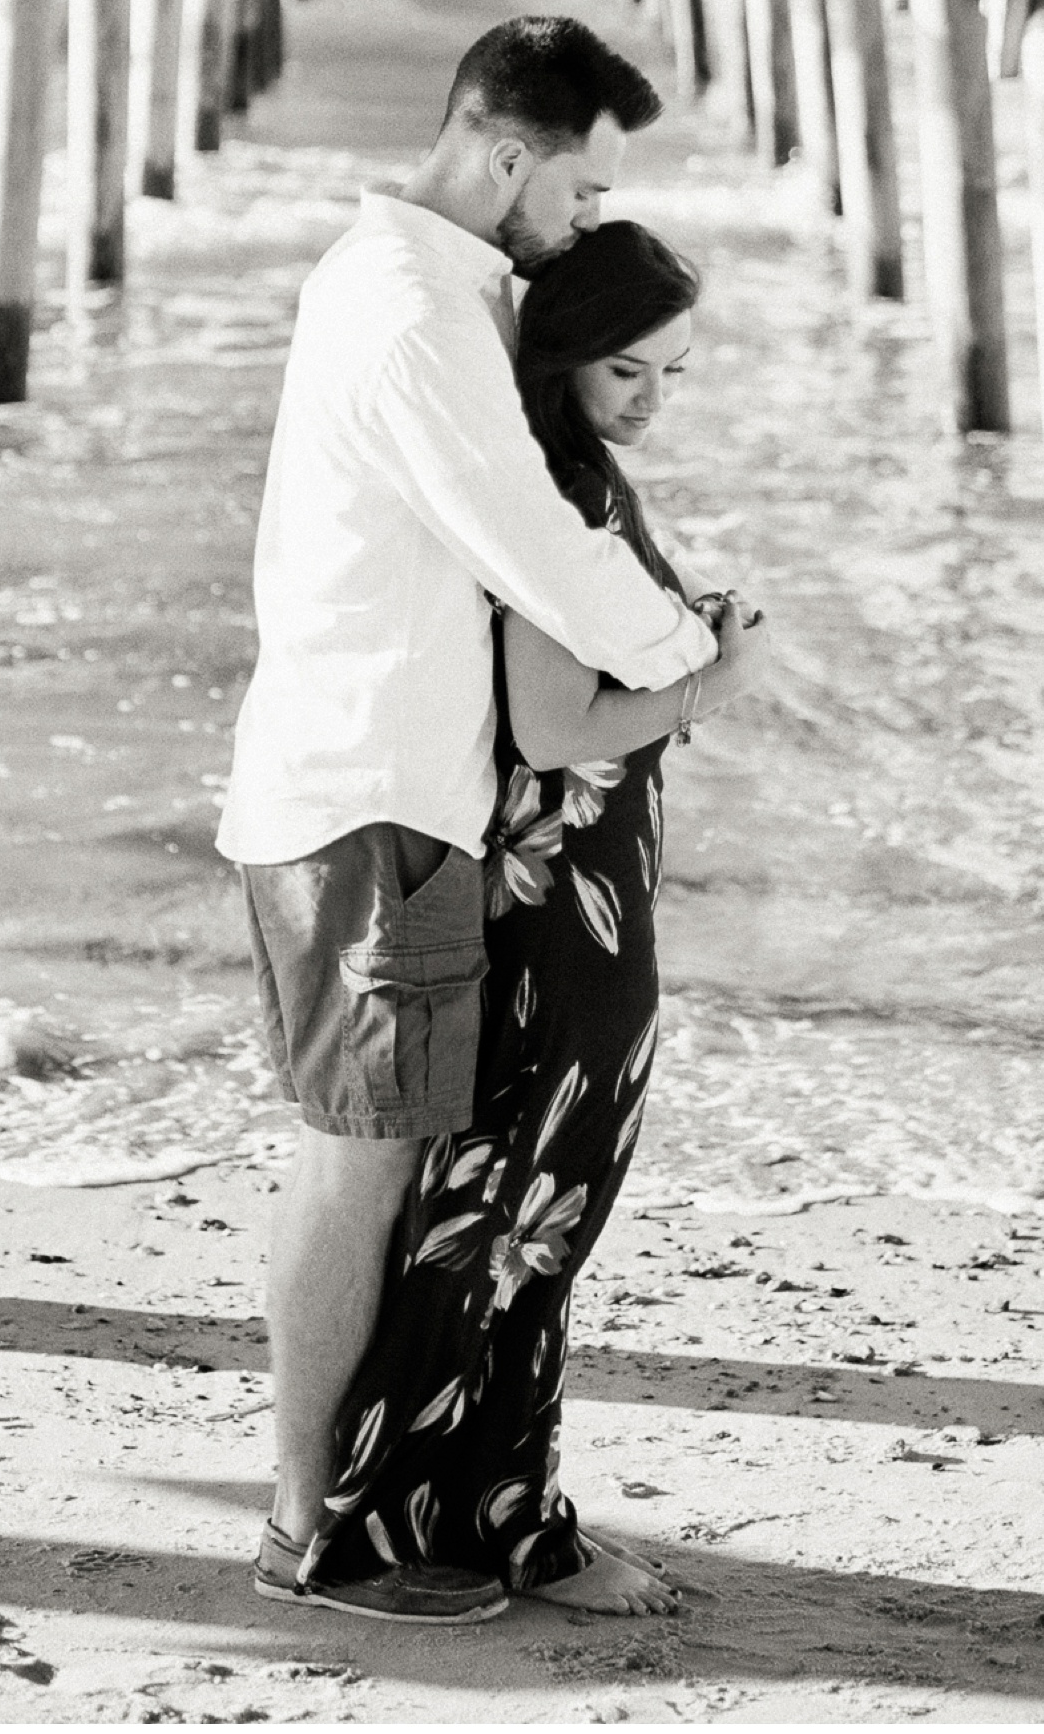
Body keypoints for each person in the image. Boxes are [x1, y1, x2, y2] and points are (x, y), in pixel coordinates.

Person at [218, 18, 724, 1627]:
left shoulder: (420, 293)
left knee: (398, 1165)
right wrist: (702, 658)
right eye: (575, 192)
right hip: (368, 802)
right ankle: (312, 1529)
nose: (579, 228)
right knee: (359, 1168)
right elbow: (536, 549)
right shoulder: (416, 312)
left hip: (393, 797)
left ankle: (380, 1503)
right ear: (506, 157)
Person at [295, 221, 762, 1617]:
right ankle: (396, 1524)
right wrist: (710, 683)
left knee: (528, 1222)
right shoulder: (549, 490)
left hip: (584, 895)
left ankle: (504, 1516)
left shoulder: (566, 474)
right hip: (562, 908)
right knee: (510, 1219)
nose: (649, 400)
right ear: (562, 353)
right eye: (628, 368)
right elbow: (557, 724)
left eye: (673, 374)